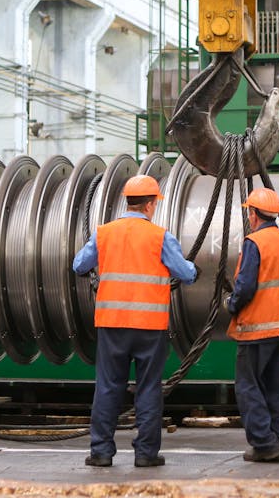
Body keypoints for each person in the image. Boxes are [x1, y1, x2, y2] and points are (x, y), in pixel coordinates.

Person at [73, 174, 197, 468]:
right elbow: (185, 273)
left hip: (112, 324)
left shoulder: (104, 233)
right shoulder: (160, 237)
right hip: (149, 327)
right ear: (150, 205)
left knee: (107, 387)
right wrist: (193, 269)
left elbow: (79, 265)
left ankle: (101, 452)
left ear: (127, 202)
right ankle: (146, 454)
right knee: (149, 388)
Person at [224, 187, 279, 463]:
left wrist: (231, 304)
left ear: (254, 214)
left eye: (249, 212)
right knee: (275, 387)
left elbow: (245, 286)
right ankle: (276, 441)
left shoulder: (254, 242)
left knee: (248, 386)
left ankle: (264, 444)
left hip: (258, 328)